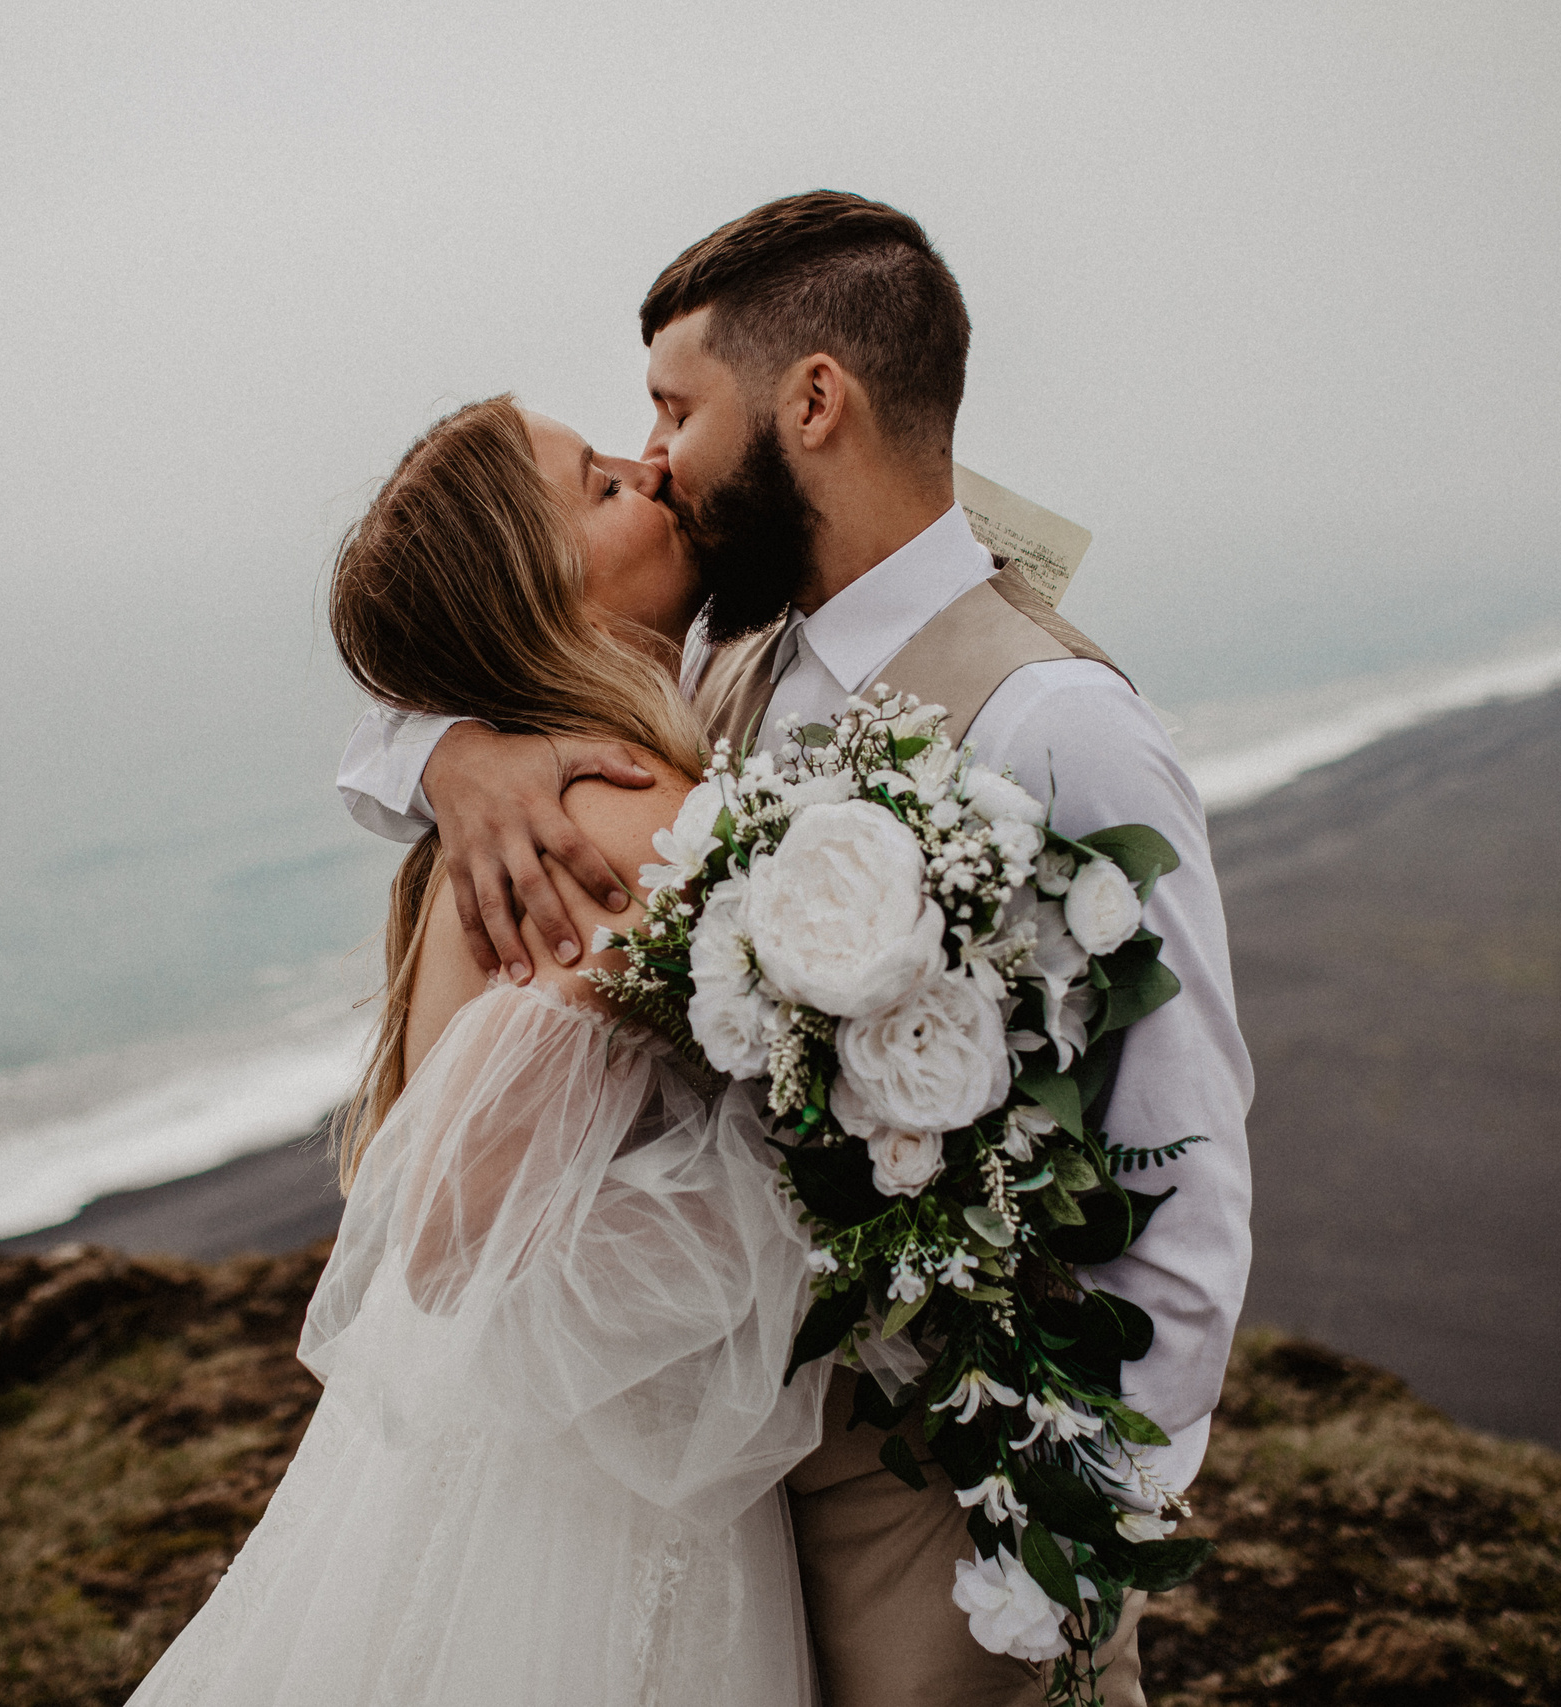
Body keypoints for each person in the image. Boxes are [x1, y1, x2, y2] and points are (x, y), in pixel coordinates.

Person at [338, 191, 1256, 1706]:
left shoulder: (1054, 723)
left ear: (811, 400)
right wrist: (450, 754)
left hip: (941, 1483)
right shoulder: (723, 653)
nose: (659, 461)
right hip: (736, 1466)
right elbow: (479, 625)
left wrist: (1084, 1521)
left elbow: (1187, 1152)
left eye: (673, 410)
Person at [126, 397, 829, 1705]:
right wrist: (815, 1217)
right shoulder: (612, 824)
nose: (652, 466)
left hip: (498, 1481)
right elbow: (458, 1232)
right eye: (601, 484)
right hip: (594, 1522)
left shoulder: (511, 810)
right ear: (540, 595)